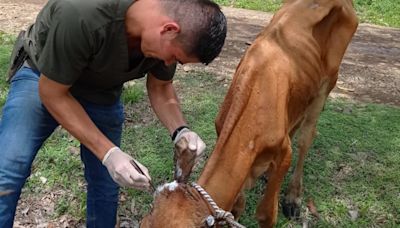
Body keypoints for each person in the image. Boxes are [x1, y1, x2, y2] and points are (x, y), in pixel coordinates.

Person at [0, 0, 227, 227]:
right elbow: (53, 94)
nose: (168, 63)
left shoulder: (166, 33)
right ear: (168, 29)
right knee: (8, 170)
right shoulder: (82, 11)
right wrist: (108, 153)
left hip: (100, 91)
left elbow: (161, 86)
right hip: (43, 76)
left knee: (106, 184)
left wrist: (180, 130)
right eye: (174, 58)